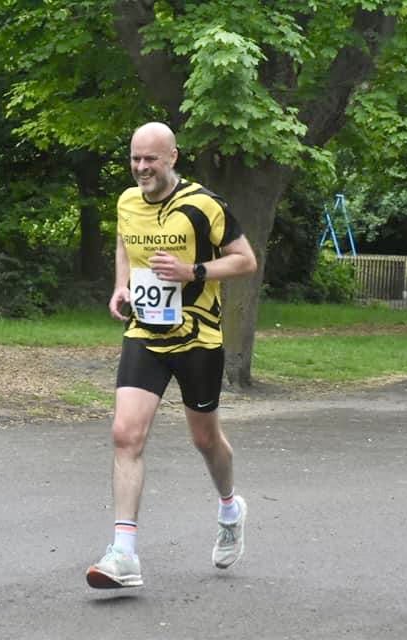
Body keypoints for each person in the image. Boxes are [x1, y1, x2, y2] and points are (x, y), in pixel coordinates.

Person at [85, 122, 258, 589]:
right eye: (135, 159)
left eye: (151, 160)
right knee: (125, 434)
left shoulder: (204, 206)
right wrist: (121, 285)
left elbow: (245, 260)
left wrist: (193, 270)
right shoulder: (126, 201)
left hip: (198, 339)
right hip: (145, 332)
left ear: (173, 158)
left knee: (205, 439)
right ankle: (123, 555)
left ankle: (228, 508)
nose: (142, 168)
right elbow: (125, 241)